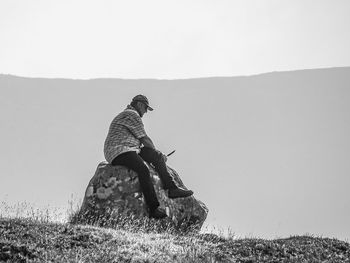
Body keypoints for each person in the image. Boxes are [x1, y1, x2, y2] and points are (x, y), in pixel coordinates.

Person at [104, 94, 193, 219]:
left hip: (131, 148)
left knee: (156, 156)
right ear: (140, 105)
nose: (146, 112)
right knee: (143, 169)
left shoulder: (129, 114)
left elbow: (145, 144)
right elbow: (144, 139)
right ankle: (153, 208)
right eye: (146, 108)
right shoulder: (131, 114)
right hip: (119, 150)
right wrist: (158, 153)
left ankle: (172, 189)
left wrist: (158, 155)